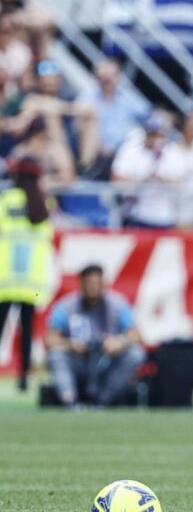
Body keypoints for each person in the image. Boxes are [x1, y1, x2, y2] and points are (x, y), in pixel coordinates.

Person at [46, 264, 146, 407]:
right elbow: (50, 339)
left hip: (106, 361)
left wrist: (119, 341)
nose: (92, 287)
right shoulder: (65, 306)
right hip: (79, 361)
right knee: (56, 354)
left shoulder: (118, 304)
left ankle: (103, 400)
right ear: (81, 284)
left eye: (96, 283)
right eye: (88, 283)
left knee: (135, 354)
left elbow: (137, 335)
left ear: (103, 284)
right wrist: (70, 345)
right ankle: (70, 400)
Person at [0, 156, 53, 391]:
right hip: (31, 280)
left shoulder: (7, 200)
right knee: (27, 330)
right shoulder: (43, 203)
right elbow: (47, 237)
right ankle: (24, 377)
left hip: (5, 278)